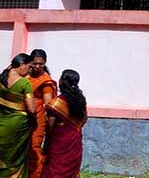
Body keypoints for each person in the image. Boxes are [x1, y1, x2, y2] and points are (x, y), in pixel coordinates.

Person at [42, 70, 86, 178]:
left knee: (55, 169)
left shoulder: (56, 103)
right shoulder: (80, 100)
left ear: (62, 81)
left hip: (59, 142)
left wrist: (46, 145)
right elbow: (84, 119)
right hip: (75, 140)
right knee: (71, 170)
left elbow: (50, 127)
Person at [0, 53, 35, 177]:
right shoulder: (25, 83)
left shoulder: (2, 78)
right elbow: (31, 109)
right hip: (18, 126)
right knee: (15, 157)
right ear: (22, 64)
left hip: (2, 123)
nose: (30, 70)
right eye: (29, 67)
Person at [27, 49, 56, 178]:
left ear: (45, 63)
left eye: (41, 64)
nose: (37, 66)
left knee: (34, 148)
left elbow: (48, 105)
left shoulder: (45, 81)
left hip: (37, 118)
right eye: (35, 63)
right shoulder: (25, 75)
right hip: (23, 116)